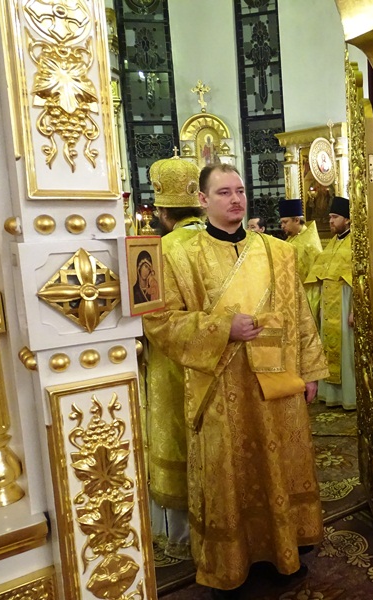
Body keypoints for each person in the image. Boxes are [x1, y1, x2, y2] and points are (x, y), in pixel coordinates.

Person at [144, 163, 329, 598]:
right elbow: (160, 321)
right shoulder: (178, 255)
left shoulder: (277, 252)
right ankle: (229, 565)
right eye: (224, 192)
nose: (235, 199)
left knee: (280, 467)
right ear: (202, 200)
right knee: (227, 475)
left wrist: (310, 371)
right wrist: (222, 328)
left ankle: (283, 552)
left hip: (278, 382)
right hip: (219, 386)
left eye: (240, 191)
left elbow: (300, 315)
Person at [142, 154, 205, 562]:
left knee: (176, 434)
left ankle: (181, 533)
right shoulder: (223, 242)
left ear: (163, 212)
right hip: (217, 358)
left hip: (170, 361)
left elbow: (148, 318)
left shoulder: (154, 250)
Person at [305, 196, 355, 410]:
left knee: (346, 351)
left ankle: (350, 396)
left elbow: (359, 281)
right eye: (330, 217)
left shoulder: (356, 243)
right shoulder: (332, 244)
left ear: (348, 219)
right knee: (327, 348)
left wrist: (355, 310)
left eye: (335, 217)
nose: (330, 221)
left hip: (345, 304)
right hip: (329, 306)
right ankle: (331, 395)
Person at [279, 198, 323, 315]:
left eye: (285, 222)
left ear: (297, 220)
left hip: (307, 296)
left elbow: (316, 276)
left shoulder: (310, 243)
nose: (282, 226)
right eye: (281, 223)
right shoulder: (291, 238)